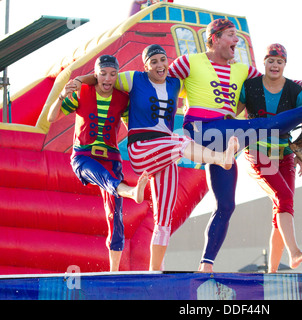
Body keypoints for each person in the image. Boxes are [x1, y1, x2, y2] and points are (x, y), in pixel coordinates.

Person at [168, 18, 302, 272]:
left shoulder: (243, 71)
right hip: (202, 130)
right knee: (260, 127)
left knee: (226, 205)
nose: (237, 41)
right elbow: (160, 82)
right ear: (214, 38)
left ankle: (206, 265)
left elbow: (275, 80)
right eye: (231, 35)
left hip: (226, 141)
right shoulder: (189, 61)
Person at [73, 45, 239, 271]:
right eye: (154, 62)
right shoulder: (134, 79)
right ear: (145, 65)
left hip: (165, 151)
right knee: (180, 143)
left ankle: (155, 271)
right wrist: (78, 82)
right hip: (142, 147)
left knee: (163, 221)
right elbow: (101, 78)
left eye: (163, 60)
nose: (160, 65)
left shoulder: (175, 83)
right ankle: (220, 159)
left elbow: (203, 90)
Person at [47, 55, 149, 272]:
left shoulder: (123, 99)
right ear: (96, 74)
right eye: (103, 74)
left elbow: (132, 127)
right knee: (105, 178)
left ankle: (114, 271)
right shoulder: (82, 93)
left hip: (111, 158)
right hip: (83, 157)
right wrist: (61, 95)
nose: (108, 78)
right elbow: (50, 118)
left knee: (115, 216)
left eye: (113, 74)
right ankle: (130, 192)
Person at [237, 43, 302, 273]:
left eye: (279, 61)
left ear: (285, 65)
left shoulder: (294, 90)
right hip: (258, 150)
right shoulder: (250, 86)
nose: (275, 65)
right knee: (283, 197)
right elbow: (232, 112)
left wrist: (301, 152)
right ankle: (294, 253)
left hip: (284, 153)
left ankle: (272, 272)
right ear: (264, 62)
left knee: (281, 208)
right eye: (271, 60)